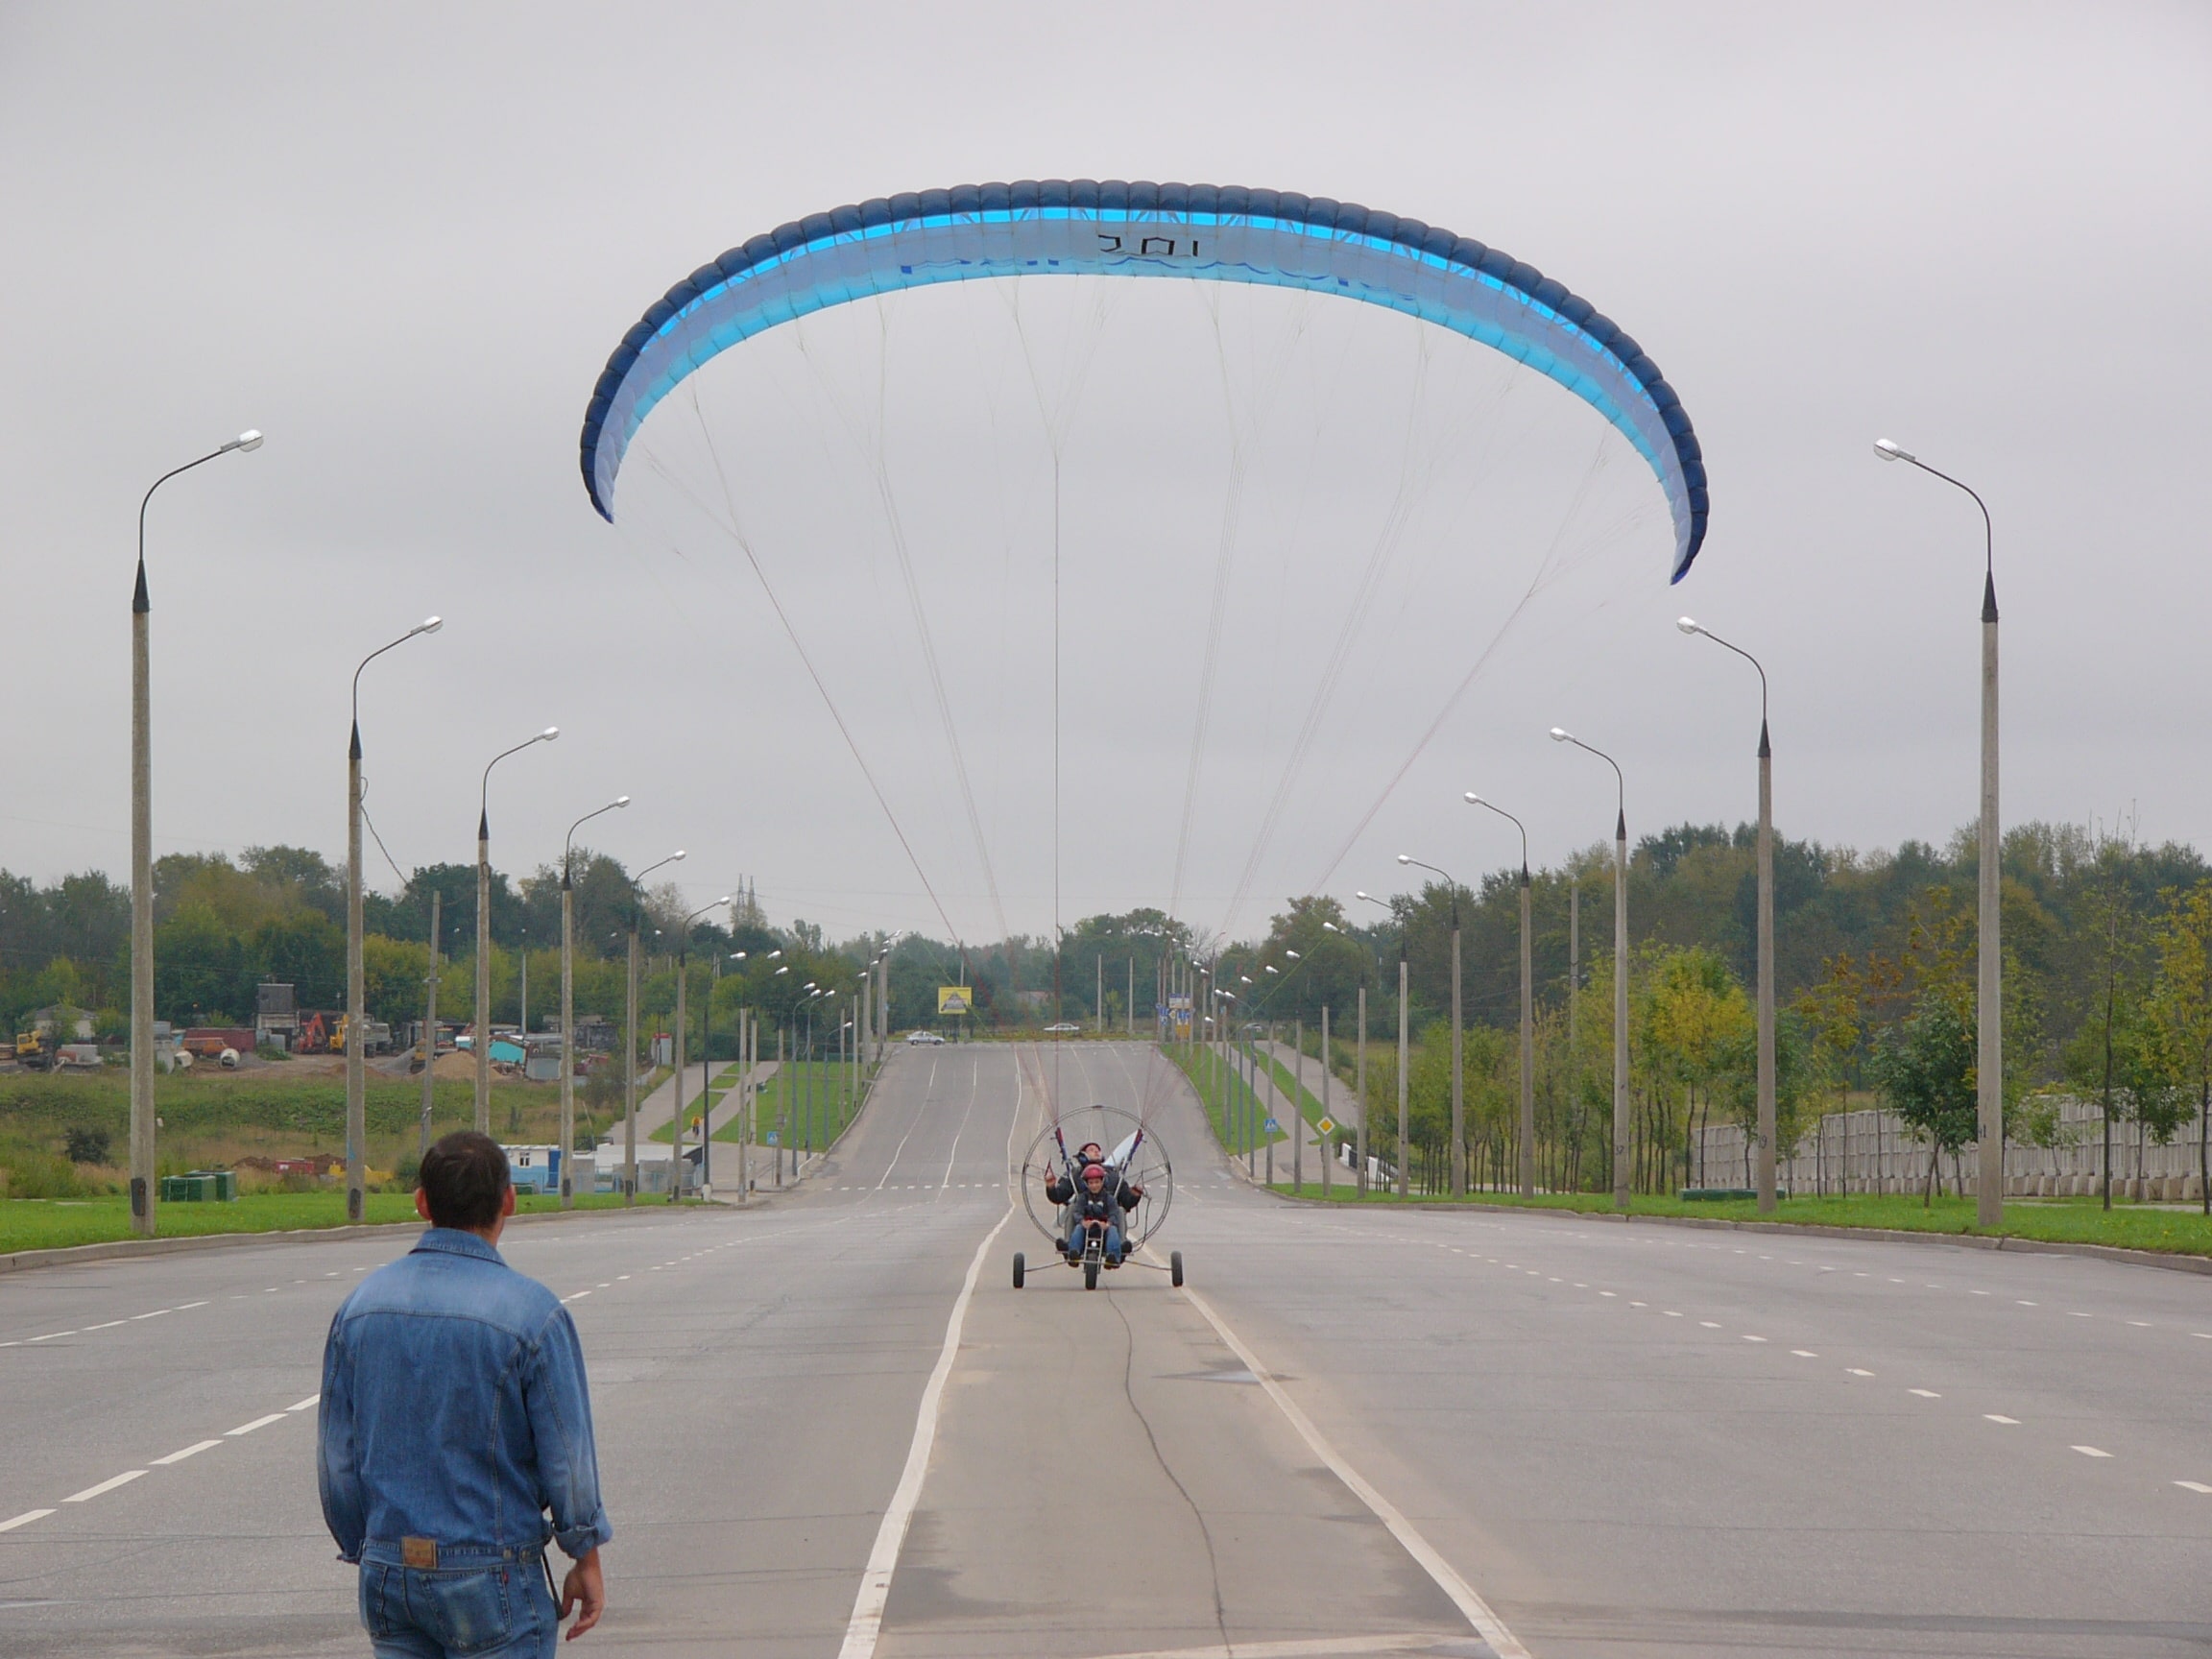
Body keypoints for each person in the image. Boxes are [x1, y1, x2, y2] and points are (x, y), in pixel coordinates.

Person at [319, 1131, 611, 1656]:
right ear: (509, 1200)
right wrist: (584, 1554)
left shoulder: (360, 1307)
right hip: (491, 1575)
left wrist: (366, 1546)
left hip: (390, 1571)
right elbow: (567, 1459)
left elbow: (338, 1457)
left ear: (422, 1203)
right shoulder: (533, 1314)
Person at [1066, 1162, 1141, 1263]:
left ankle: (1113, 1256)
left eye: (1097, 1182)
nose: (1094, 1186)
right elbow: (1077, 1212)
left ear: (1102, 1182)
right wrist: (1083, 1222)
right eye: (1091, 1183)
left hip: (1104, 1229)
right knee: (1078, 1228)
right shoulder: (1083, 1198)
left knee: (1113, 1229)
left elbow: (1114, 1214)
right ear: (1086, 1184)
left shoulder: (1109, 1199)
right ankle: (1074, 1253)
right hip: (1087, 1227)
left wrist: (1108, 1224)